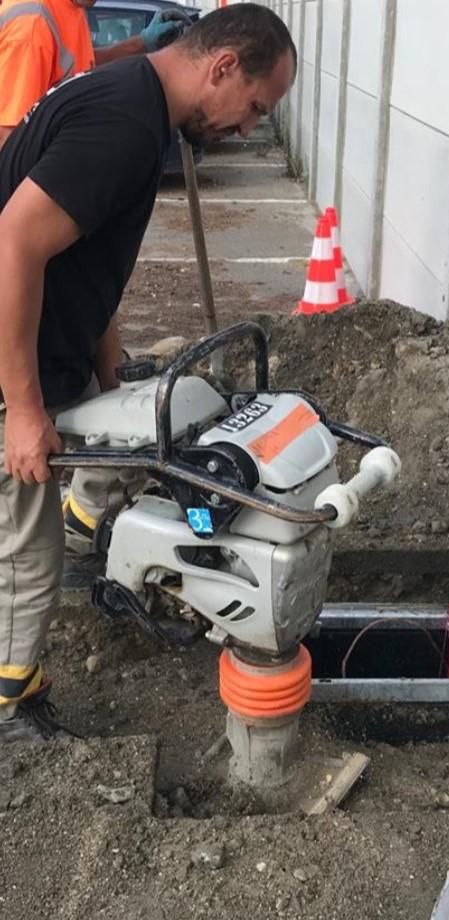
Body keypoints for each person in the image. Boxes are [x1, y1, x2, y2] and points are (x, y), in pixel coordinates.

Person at [0, 3, 297, 742]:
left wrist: (113, 387)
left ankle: (80, 529)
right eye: (254, 107)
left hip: (50, 343)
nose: (248, 128)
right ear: (222, 66)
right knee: (23, 554)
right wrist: (24, 408)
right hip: (10, 358)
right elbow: (14, 244)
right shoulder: (126, 126)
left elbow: (85, 262)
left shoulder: (131, 100)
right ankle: (9, 705)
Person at [0, 0, 192, 149]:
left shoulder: (70, 7)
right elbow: (10, 137)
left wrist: (142, 43)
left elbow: (83, 64)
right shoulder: (32, 25)